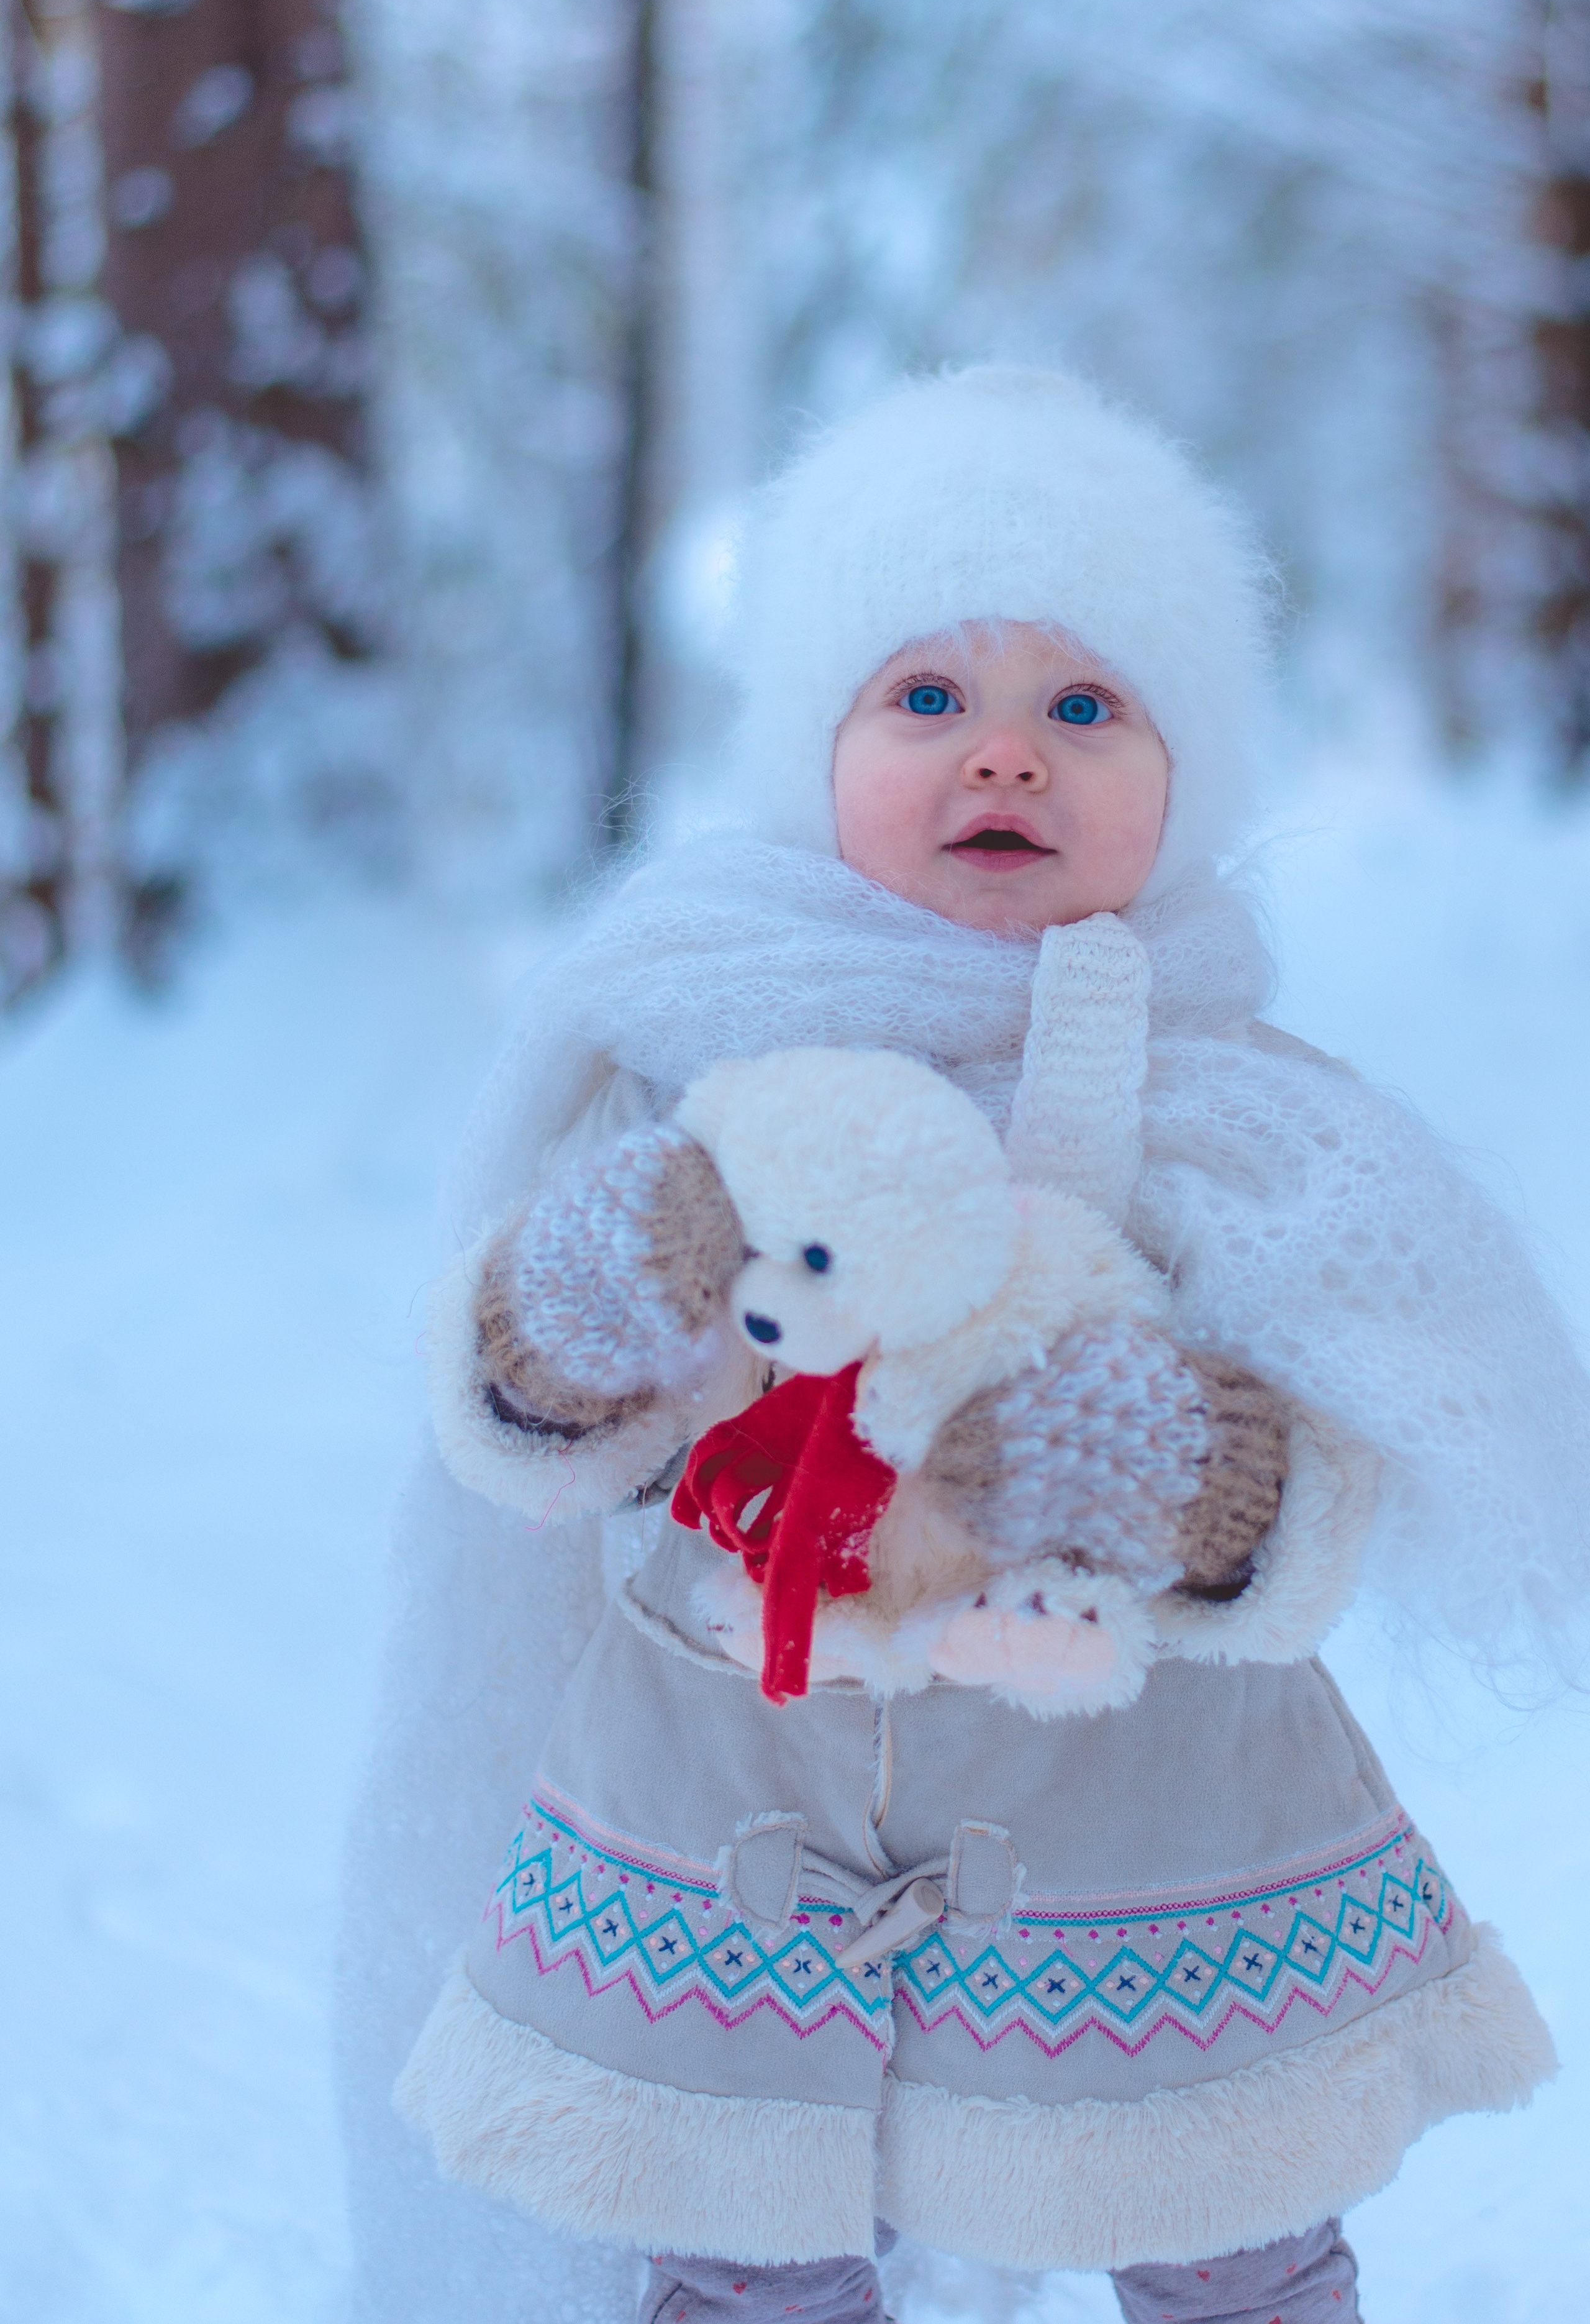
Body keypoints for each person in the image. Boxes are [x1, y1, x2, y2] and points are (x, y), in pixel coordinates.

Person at [363, 368, 1590, 2324]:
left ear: (1188, 781)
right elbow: (521, 1412)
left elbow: (1327, 1488)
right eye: (927, 698)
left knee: (1235, 2228)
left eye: (1082, 707)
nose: (1004, 758)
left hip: (1147, 1816)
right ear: (812, 753)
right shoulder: (694, 1037)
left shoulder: (1243, 1107)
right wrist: (609, 1276)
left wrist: (1184, 1462)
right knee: (752, 2243)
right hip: (736, 1799)